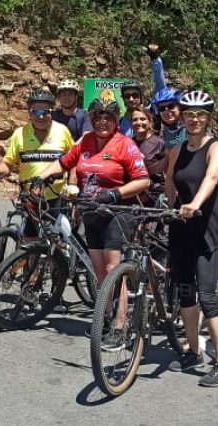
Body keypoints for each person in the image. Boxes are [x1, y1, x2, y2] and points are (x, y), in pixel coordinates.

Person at [35, 97, 150, 289]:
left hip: (117, 211)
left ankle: (119, 319)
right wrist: (40, 177)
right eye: (98, 117)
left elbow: (143, 180)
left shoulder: (125, 144)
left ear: (115, 121)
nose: (102, 122)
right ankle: (104, 316)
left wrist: (115, 193)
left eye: (108, 118)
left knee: (112, 268)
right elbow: (63, 163)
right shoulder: (85, 141)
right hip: (90, 210)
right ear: (92, 119)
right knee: (98, 271)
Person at [165, 90, 218, 387]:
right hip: (180, 227)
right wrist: (171, 205)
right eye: (190, 114)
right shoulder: (178, 149)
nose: (195, 119)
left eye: (201, 114)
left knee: (207, 296)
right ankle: (194, 351)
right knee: (185, 291)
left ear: (208, 118)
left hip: (205, 229)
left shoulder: (216, 147)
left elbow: (212, 177)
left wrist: (196, 204)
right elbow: (169, 177)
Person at [0, 89, 74, 237]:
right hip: (30, 197)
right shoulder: (19, 134)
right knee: (29, 242)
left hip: (56, 197)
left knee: (59, 243)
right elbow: (8, 163)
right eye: (36, 112)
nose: (41, 116)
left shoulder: (62, 131)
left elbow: (74, 161)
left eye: (45, 111)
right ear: (29, 113)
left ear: (51, 112)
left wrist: (73, 184)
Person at [117, 43, 168, 136]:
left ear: (141, 96)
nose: (131, 99)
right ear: (123, 99)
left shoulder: (152, 111)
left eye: (135, 95)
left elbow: (161, 87)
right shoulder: (120, 122)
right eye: (127, 96)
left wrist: (155, 58)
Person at [130, 106, 167, 203]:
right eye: (135, 120)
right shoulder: (128, 144)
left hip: (155, 196)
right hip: (134, 196)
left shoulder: (159, 143)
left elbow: (167, 173)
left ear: (150, 121)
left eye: (142, 119)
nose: (138, 122)